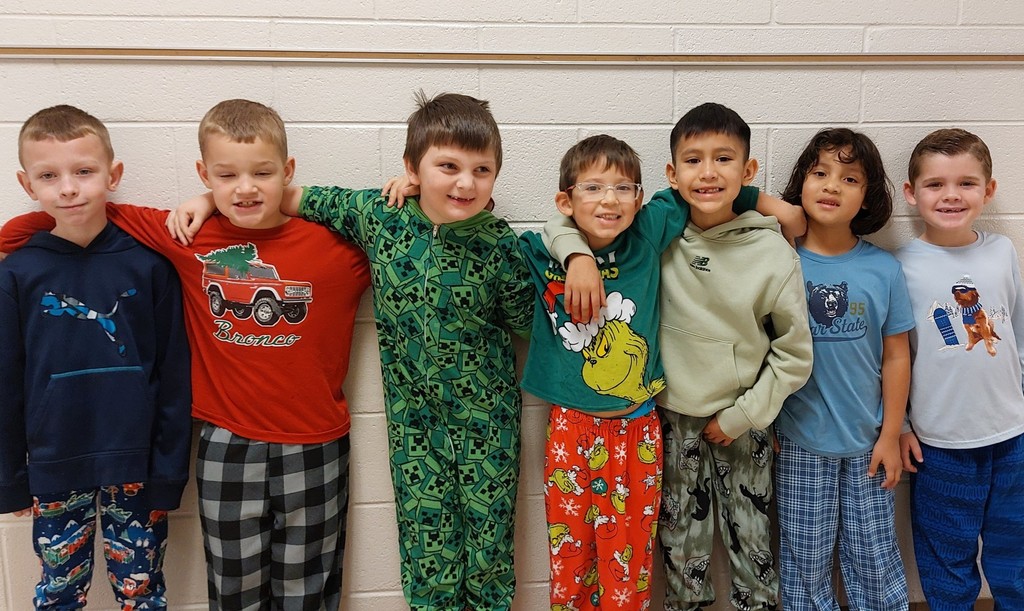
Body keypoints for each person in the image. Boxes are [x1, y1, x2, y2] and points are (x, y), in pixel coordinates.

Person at [0, 99, 372, 610]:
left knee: (308, 584)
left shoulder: (338, 250)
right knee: (233, 585)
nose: (245, 187)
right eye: (226, 176)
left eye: (262, 173)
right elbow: (47, 228)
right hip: (225, 440)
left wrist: (236, 198)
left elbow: (397, 227)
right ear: (205, 173)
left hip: (314, 440)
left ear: (286, 172)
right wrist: (208, 203)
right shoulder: (187, 238)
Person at [167, 91, 533, 611]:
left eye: (482, 170)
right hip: (415, 431)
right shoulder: (377, 217)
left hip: (488, 427)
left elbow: (532, 325)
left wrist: (573, 254)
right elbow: (291, 198)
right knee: (428, 550)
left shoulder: (501, 244)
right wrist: (207, 200)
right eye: (448, 166)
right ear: (411, 167)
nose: (465, 182)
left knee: (489, 554)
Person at [545, 102, 813, 611]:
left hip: (743, 421)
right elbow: (562, 223)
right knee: (679, 547)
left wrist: (744, 415)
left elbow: (794, 355)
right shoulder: (652, 233)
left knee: (752, 542)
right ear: (672, 173)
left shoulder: (773, 253)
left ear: (748, 170)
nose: (708, 172)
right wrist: (577, 255)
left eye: (724, 159)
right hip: (669, 421)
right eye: (693, 160)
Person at [0, 105, 191, 608]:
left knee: (142, 593)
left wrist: (169, 470)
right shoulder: (17, 274)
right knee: (58, 595)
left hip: (138, 467)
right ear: (27, 183)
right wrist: (10, 481)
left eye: (83, 171)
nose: (68, 188)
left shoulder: (150, 267)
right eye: (49, 175)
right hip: (54, 465)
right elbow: (5, 382)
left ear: (113, 175)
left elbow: (173, 376)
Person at [774, 128, 914, 610]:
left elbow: (897, 355)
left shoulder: (884, 269)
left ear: (867, 195)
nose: (832, 186)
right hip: (799, 440)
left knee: (873, 558)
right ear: (802, 184)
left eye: (849, 177)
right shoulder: (779, 261)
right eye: (820, 173)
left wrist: (891, 435)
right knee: (805, 560)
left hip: (869, 441)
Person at [896, 128, 1024, 611]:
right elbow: (895, 359)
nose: (951, 195)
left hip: (1012, 438)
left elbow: (1018, 333)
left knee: (1014, 556)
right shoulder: (901, 267)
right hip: (940, 444)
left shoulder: (1001, 252)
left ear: (988, 191)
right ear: (912, 192)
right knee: (946, 559)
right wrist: (904, 425)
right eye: (935, 184)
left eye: (967, 183)